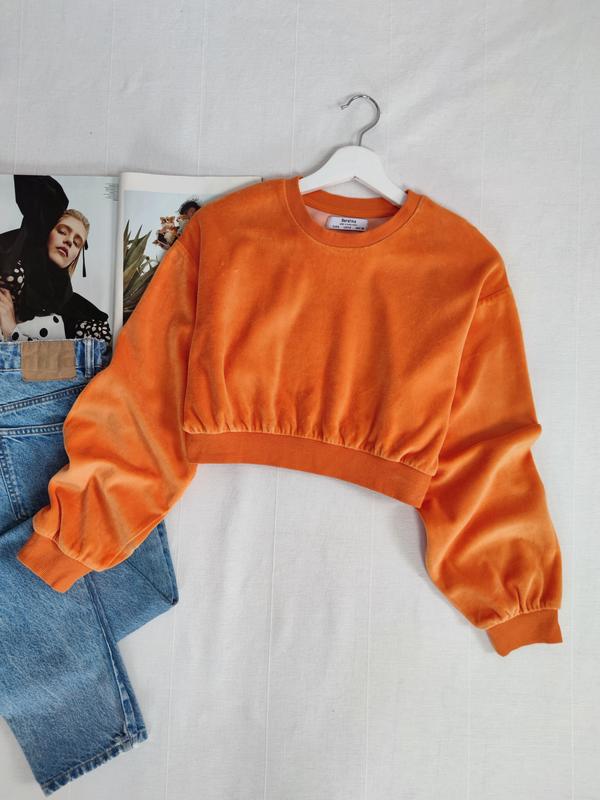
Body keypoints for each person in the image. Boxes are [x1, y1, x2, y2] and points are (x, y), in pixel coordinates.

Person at [0, 175, 111, 344]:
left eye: (77, 243)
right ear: (47, 233)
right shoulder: (12, 268)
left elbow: (79, 358)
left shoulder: (78, 312)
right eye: (62, 232)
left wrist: (12, 332)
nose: (69, 241)